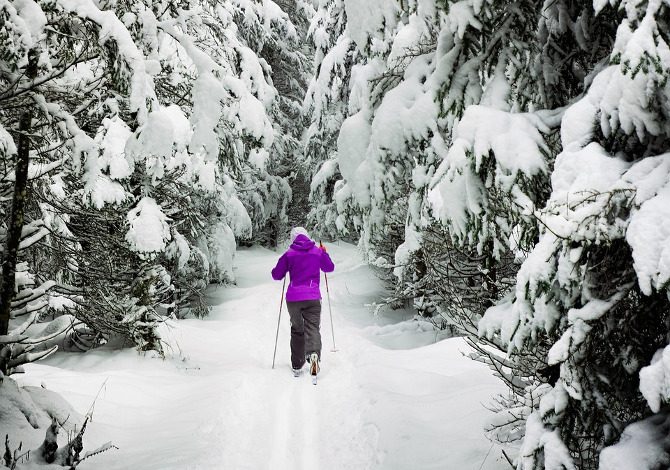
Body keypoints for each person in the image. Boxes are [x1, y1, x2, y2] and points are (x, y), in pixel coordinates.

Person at [271, 227, 335, 377]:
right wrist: (324, 252)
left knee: (297, 329)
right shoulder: (317, 252)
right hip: (313, 297)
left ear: (293, 239)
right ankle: (313, 355)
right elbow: (329, 267)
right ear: (307, 236)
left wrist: (285, 263)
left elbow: (276, 275)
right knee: (313, 327)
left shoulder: (289, 254)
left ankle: (297, 364)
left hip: (293, 299)